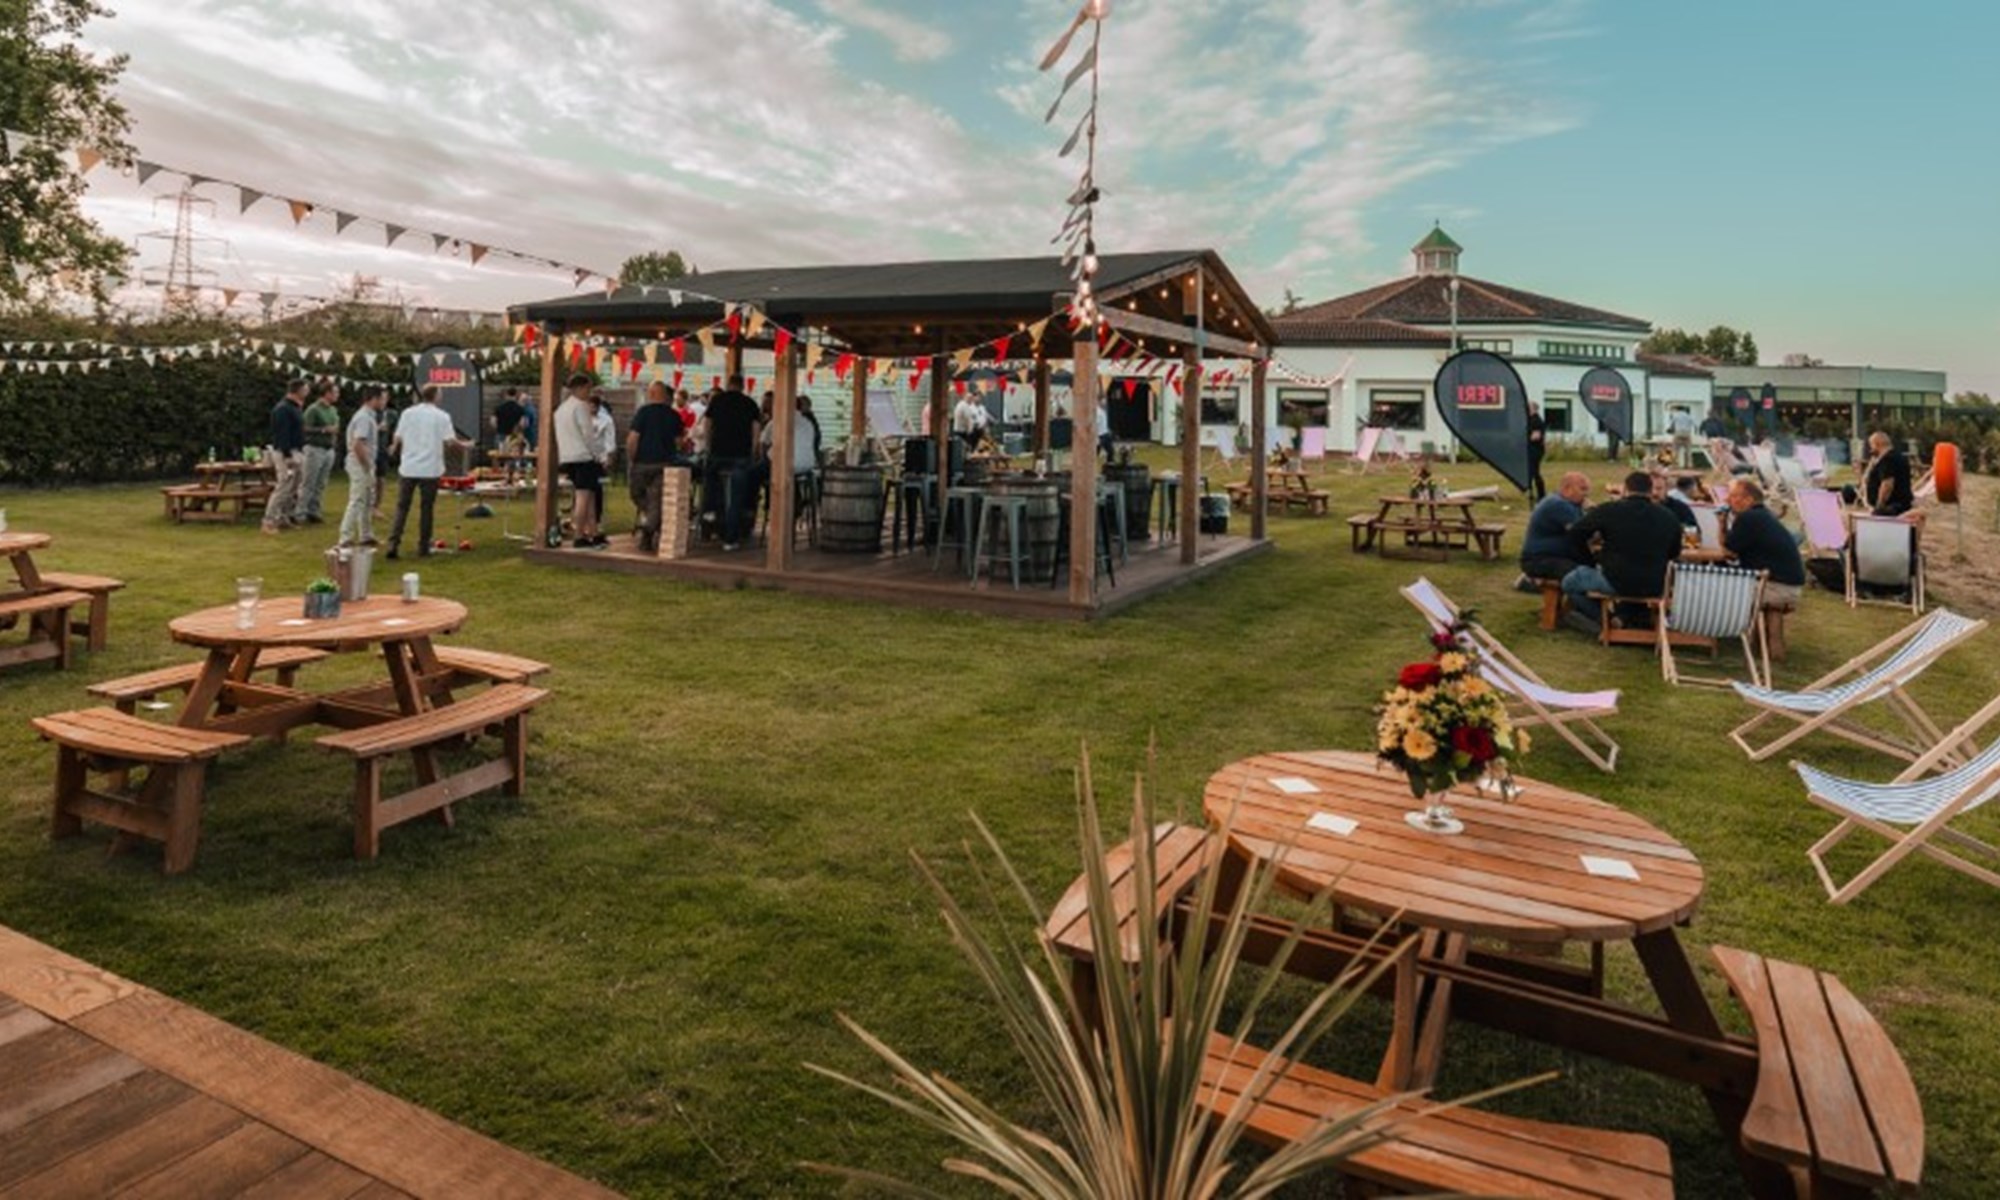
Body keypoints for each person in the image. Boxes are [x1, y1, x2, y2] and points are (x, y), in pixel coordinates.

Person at [1560, 471, 1684, 633]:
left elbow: (1575, 533)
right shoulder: (1669, 517)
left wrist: (1589, 559)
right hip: (1655, 584)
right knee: (1635, 580)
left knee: (1570, 582)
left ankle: (1604, 619)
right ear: (1650, 490)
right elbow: (1674, 553)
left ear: (1625, 489)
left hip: (1615, 580)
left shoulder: (1610, 510)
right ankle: (1627, 617)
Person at [384, 385, 471, 560]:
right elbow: (450, 442)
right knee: (426, 508)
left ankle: (393, 543)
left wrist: (394, 447)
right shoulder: (442, 417)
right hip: (430, 469)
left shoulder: (407, 413)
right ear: (436, 396)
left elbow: (398, 436)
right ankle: (423, 547)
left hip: (408, 467)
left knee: (402, 507)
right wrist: (466, 445)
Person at [699, 374, 761, 550]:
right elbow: (756, 431)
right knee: (736, 497)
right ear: (742, 386)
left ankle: (709, 515)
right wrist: (754, 451)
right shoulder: (750, 404)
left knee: (711, 482)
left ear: (728, 384)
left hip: (718, 453)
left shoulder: (717, 401)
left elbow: (707, 424)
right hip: (740, 455)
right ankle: (731, 539)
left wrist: (709, 445)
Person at [1724, 478, 1805, 608]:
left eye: (1733, 496)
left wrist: (1721, 521)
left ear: (1748, 500)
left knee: (1718, 591)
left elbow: (1728, 552)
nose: (1727, 500)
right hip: (1791, 586)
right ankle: (1760, 628)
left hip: (1774, 587)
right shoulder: (1764, 515)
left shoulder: (1748, 518)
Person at [626, 381, 686, 553]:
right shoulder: (674, 416)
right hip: (664, 463)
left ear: (652, 394)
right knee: (656, 501)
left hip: (642, 463)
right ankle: (655, 521)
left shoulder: (643, 413)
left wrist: (632, 458)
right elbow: (679, 442)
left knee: (636, 495)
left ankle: (648, 531)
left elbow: (632, 439)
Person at [554, 373, 605, 549]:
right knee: (583, 496)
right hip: (584, 456)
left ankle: (594, 532)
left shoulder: (561, 409)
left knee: (589, 495)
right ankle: (579, 535)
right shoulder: (581, 407)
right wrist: (599, 455)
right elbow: (588, 434)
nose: (589, 393)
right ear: (580, 388)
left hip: (568, 456)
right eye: (588, 389)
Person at [1518, 471, 1591, 586]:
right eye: (1582, 489)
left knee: (1588, 566)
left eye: (1587, 490)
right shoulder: (1559, 504)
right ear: (1567, 489)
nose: (1586, 494)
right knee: (1581, 575)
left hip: (1552, 556)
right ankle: (1529, 584)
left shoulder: (1571, 503)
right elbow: (1581, 533)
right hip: (1539, 560)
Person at [340, 386, 388, 547]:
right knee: (357, 499)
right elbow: (358, 444)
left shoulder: (369, 417)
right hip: (360, 463)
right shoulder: (364, 418)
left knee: (368, 500)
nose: (384, 402)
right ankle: (345, 537)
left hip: (365, 462)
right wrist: (367, 466)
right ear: (373, 399)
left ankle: (366, 535)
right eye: (382, 398)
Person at [261, 378, 308, 534]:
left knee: (294, 487)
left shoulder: (296, 408)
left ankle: (283, 517)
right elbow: (282, 434)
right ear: (298, 390)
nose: (308, 392)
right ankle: (269, 520)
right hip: (285, 452)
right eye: (305, 389)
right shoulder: (283, 409)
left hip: (297, 449)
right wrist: (288, 456)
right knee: (283, 486)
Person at [297, 380, 341, 524]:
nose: (337, 395)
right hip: (314, 448)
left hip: (328, 449)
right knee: (309, 482)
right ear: (327, 393)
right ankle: (300, 513)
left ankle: (314, 511)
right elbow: (304, 428)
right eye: (335, 392)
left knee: (321, 482)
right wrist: (323, 429)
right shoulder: (313, 409)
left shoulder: (333, 410)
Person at [1861, 430, 1913, 516]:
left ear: (1877, 444)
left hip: (1891, 506)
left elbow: (1887, 485)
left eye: (1871, 446)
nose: (1871, 450)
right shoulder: (1899, 456)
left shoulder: (1887, 460)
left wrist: (1879, 507)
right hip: (1902, 504)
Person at [589, 387, 617, 535]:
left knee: (596, 489)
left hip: (598, 458)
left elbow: (609, 440)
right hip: (581, 456)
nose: (591, 409)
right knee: (580, 490)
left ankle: (597, 519)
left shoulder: (606, 420)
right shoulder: (581, 417)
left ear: (598, 406)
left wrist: (608, 458)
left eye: (594, 406)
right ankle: (580, 519)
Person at [1525, 400, 1547, 502]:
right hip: (1531, 449)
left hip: (1535, 450)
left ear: (1533, 408)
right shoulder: (1529, 420)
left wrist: (1524, 438)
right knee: (1530, 472)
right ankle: (1530, 492)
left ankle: (1541, 494)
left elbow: (1535, 437)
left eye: (1528, 407)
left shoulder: (1536, 421)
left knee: (1534, 472)